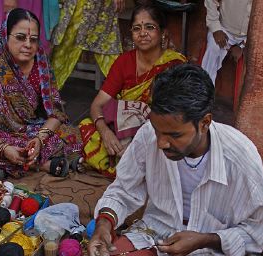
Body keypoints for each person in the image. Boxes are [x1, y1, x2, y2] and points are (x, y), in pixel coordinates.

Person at [48, 64, 263, 256]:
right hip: (153, 238)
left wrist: (206, 239)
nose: (162, 143)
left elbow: (259, 230)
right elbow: (123, 191)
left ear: (205, 122)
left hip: (207, 255)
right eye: (158, 131)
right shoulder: (148, 137)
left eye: (174, 135)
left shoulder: (240, 156)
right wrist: (104, 227)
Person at [0, 8, 82, 179]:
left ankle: (8, 164)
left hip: (33, 129)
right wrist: (3, 147)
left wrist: (39, 140)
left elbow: (56, 113)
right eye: (20, 37)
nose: (28, 45)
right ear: (5, 35)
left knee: (73, 133)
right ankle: (42, 164)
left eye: (33, 39)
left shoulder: (41, 63)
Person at [79, 1, 186, 177]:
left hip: (157, 129)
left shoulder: (175, 65)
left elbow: (180, 112)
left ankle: (128, 165)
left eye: (149, 27)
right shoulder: (124, 62)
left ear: (163, 33)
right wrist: (105, 132)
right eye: (136, 28)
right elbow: (97, 104)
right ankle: (130, 164)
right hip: (125, 128)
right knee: (88, 128)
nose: (142, 33)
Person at [201, 0, 253, 84]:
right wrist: (216, 28)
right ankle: (204, 91)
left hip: (250, 35)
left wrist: (243, 45)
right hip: (223, 28)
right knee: (213, 48)